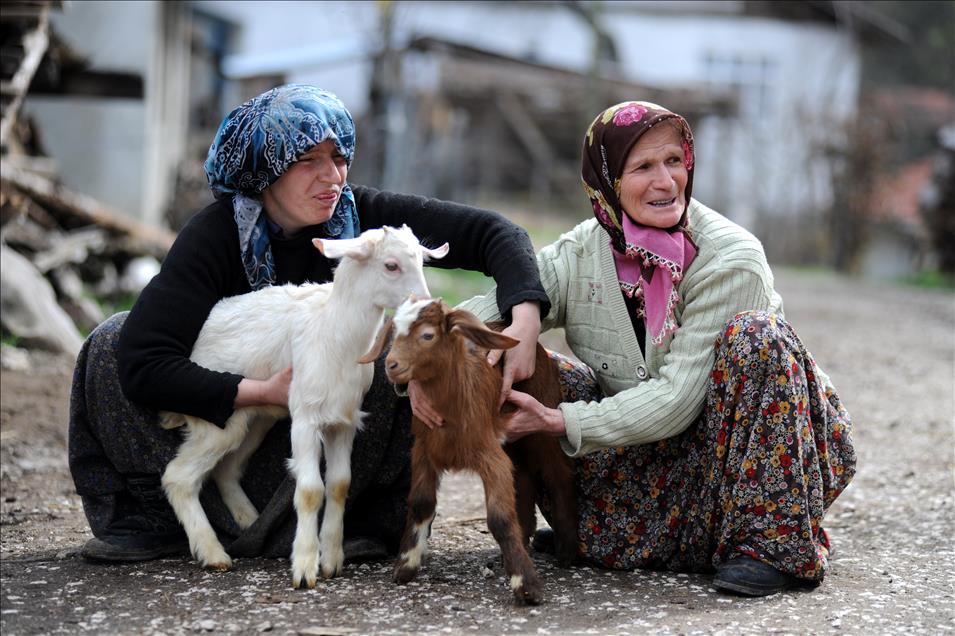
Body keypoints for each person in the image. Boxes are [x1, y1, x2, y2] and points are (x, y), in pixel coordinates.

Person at [68, 84, 548, 564]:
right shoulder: (214, 238)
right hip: (233, 425)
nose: (332, 176)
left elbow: (496, 234)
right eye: (307, 161)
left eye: (339, 157)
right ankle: (154, 516)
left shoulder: (367, 223)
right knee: (111, 341)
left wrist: (525, 315)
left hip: (332, 439)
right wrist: (260, 392)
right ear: (266, 169)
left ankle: (356, 518)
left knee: (392, 350)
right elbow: (144, 363)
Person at [456, 100, 857, 597]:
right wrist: (519, 315)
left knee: (758, 338)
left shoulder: (731, 256)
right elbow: (482, 309)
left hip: (741, 458)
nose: (666, 181)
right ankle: (628, 534)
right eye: (643, 166)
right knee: (512, 355)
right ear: (605, 182)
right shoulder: (585, 249)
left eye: (674, 161)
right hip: (659, 466)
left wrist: (559, 421)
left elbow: (677, 400)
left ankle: (766, 544)